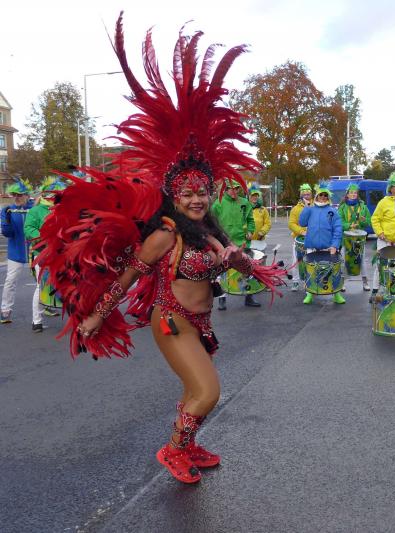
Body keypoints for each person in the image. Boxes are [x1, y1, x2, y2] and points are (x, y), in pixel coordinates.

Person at [33, 16, 286, 483]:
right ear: (173, 195)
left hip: (200, 321)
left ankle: (188, 445)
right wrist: (96, 317)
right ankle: (172, 451)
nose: (196, 199)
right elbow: (127, 278)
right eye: (187, 193)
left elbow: (240, 268)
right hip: (171, 321)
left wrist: (242, 263)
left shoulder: (211, 230)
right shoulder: (166, 234)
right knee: (207, 392)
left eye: (202, 191)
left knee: (195, 390)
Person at [24, 176, 68, 331]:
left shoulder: (63, 210)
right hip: (42, 254)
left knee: (67, 285)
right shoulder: (36, 210)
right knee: (41, 286)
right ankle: (36, 320)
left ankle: (76, 319)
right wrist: (45, 237)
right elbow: (28, 229)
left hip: (61, 254)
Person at [212, 180, 259, 309]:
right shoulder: (218, 203)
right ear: (226, 189)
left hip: (242, 243)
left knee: (247, 270)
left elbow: (250, 220)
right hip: (224, 244)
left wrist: (250, 231)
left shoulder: (244, 202)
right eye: (231, 189)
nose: (234, 191)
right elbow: (211, 222)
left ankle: (249, 296)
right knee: (222, 272)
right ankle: (222, 298)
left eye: (237, 188)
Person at [299, 182, 345, 305]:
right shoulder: (310, 209)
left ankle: (336, 294)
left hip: (328, 248)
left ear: (328, 197)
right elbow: (302, 222)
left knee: (333, 271)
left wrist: (335, 245)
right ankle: (309, 293)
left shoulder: (333, 211)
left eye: (325, 195)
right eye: (321, 195)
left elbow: (338, 229)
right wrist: (306, 207)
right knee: (311, 271)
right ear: (317, 196)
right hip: (312, 247)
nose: (323, 197)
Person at [0, 178, 34, 325]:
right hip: (16, 252)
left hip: (34, 251)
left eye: (19, 195)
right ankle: (5, 310)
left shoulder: (34, 208)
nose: (16, 197)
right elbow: (8, 233)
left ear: (27, 195)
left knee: (43, 280)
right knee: (10, 281)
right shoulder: (7, 210)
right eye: (14, 195)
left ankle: (46, 304)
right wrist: (7, 222)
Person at [338, 183, 371, 291]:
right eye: (351, 193)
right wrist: (348, 226)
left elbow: (369, 221)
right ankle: (342, 283)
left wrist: (363, 220)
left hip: (359, 239)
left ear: (357, 194)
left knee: (361, 260)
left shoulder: (363, 207)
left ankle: (365, 282)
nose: (353, 194)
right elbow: (339, 222)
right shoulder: (342, 207)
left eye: (355, 193)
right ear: (347, 194)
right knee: (344, 260)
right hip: (346, 239)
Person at [288, 183, 313, 291]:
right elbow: (291, 224)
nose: (307, 196)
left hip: (312, 240)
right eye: (304, 194)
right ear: (301, 196)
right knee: (296, 261)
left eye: (308, 194)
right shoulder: (295, 209)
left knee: (311, 261)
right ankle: (295, 281)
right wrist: (301, 231)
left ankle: (310, 282)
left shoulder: (315, 206)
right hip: (299, 239)